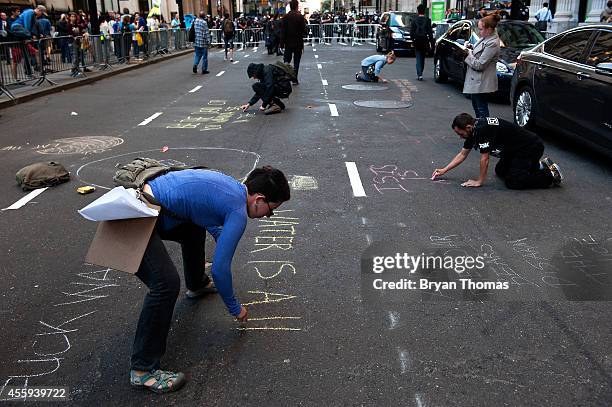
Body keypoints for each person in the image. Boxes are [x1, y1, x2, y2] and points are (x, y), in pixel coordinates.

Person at [129, 166, 290, 394]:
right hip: (137, 214)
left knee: (193, 229)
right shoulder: (237, 212)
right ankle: (142, 369)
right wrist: (235, 308)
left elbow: (204, 211)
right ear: (259, 199)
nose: (267, 216)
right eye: (270, 210)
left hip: (153, 203)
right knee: (165, 285)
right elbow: (221, 270)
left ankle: (196, 283)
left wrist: (219, 234)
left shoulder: (232, 187)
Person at [432, 113, 563, 189]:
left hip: (530, 147)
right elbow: (462, 154)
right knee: (500, 171)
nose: (460, 137)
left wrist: (479, 181)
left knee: (513, 182)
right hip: (514, 150)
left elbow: (485, 158)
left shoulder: (482, 130)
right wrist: (444, 169)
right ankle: (538, 166)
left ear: (468, 127)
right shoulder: (473, 130)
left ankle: (550, 175)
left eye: (460, 134)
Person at [462, 13, 500, 118]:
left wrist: (469, 54)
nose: (479, 31)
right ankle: (481, 129)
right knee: (477, 106)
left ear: (489, 29)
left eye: (481, 29)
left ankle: (485, 130)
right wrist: (471, 47)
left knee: (481, 108)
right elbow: (479, 50)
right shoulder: (486, 37)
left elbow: (480, 65)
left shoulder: (493, 43)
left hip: (482, 81)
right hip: (477, 80)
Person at [281, 0, 306, 85]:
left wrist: (281, 44)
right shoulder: (300, 17)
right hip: (298, 42)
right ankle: (294, 78)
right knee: (296, 61)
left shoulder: (285, 17)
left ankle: (286, 76)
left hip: (288, 42)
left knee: (287, 60)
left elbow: (282, 32)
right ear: (296, 6)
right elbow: (304, 30)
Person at [410, 4, 434, 81]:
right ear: (424, 11)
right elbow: (430, 32)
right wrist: (431, 42)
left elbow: (411, 32)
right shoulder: (427, 20)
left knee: (418, 57)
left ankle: (419, 74)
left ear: (418, 11)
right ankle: (421, 72)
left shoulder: (414, 20)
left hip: (417, 40)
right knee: (423, 57)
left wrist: (413, 39)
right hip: (424, 40)